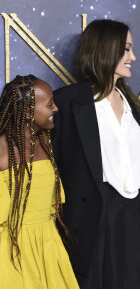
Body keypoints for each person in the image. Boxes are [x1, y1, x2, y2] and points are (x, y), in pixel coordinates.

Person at [51, 19, 140, 289]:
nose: (133, 57)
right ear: (106, 49)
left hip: (137, 218)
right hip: (94, 223)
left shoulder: (134, 107)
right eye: (126, 49)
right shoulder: (66, 103)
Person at [0, 75, 79, 288]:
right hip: (13, 254)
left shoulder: (44, 143)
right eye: (49, 104)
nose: (56, 109)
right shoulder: (1, 153)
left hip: (48, 247)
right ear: (27, 111)